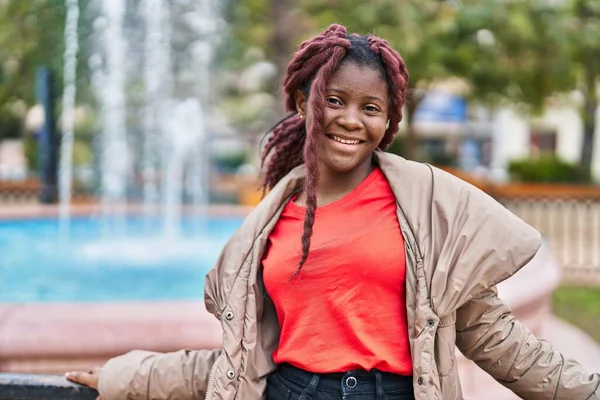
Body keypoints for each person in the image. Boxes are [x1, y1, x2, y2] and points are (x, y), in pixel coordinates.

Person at [66, 24, 600, 400]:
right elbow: (242, 358)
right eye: (334, 100)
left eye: (371, 108)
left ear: (388, 121)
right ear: (303, 102)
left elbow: (492, 335)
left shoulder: (428, 206)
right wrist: (127, 375)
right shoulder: (271, 220)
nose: (350, 120)